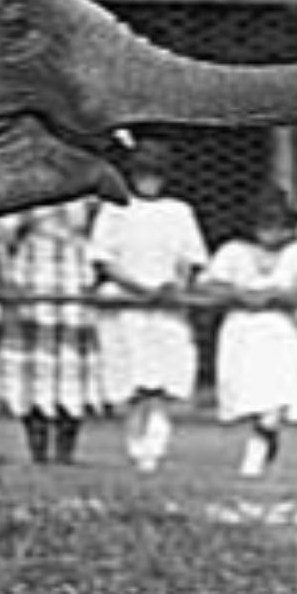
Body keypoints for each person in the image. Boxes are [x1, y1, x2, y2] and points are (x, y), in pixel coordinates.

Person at [88, 140, 208, 473]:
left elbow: (193, 258)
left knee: (162, 381)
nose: (148, 181)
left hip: (166, 303)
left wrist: (176, 286)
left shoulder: (179, 211)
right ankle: (134, 446)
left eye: (155, 174)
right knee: (133, 380)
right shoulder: (114, 210)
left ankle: (155, 448)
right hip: (127, 301)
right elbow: (103, 259)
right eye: (142, 174)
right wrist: (138, 288)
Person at [201, 185, 297, 478]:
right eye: (265, 224)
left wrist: (280, 295)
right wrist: (238, 293)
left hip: (280, 331)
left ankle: (254, 457)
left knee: (276, 400)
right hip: (243, 331)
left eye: (278, 226)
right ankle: (262, 454)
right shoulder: (233, 252)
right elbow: (208, 284)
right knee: (253, 396)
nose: (271, 232)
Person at [0, 198, 101, 465]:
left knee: (72, 368)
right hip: (32, 282)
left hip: (75, 282)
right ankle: (38, 450)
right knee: (34, 370)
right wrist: (7, 284)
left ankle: (65, 451)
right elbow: (0, 240)